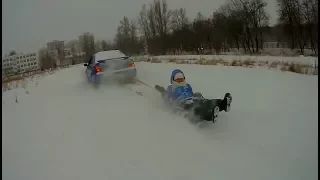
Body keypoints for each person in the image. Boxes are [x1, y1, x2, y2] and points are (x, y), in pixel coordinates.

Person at [156, 69, 232, 121]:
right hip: (182, 103)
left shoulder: (187, 85)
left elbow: (191, 94)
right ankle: (210, 114)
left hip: (192, 98)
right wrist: (162, 91)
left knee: (205, 101)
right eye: (177, 79)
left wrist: (197, 96)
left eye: (181, 78)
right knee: (195, 108)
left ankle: (223, 104)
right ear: (173, 79)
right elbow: (166, 96)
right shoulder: (171, 88)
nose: (180, 80)